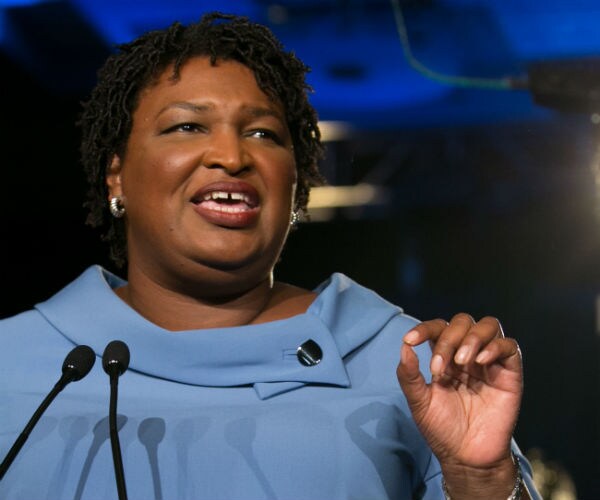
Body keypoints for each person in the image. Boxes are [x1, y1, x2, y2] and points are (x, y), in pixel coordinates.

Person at [0, 12, 540, 500]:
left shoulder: (410, 367)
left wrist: (481, 482)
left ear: (296, 183)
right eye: (188, 126)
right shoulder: (14, 364)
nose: (232, 156)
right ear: (116, 174)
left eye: (263, 133)